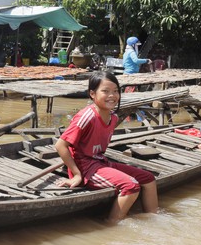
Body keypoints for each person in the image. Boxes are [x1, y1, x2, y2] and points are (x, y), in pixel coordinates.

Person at [54, 71, 158, 222]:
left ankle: (154, 219)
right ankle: (112, 225)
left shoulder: (113, 117)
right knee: (131, 186)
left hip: (100, 162)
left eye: (115, 91)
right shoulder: (86, 116)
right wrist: (77, 174)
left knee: (149, 179)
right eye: (105, 91)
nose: (112, 95)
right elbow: (60, 145)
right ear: (92, 94)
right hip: (86, 168)